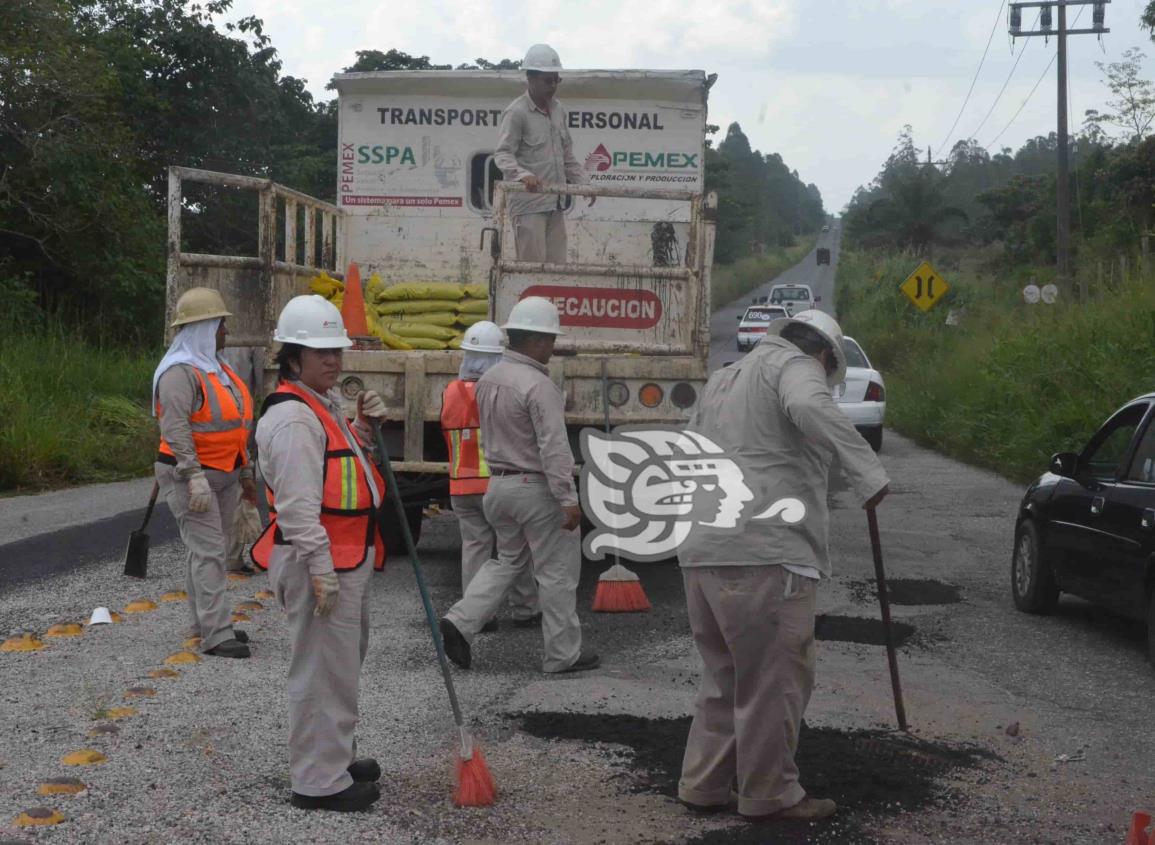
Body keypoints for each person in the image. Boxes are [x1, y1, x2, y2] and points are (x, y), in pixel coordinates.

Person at [676, 310, 890, 823]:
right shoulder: (796, 369)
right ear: (823, 355)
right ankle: (770, 793)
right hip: (766, 551)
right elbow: (808, 404)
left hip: (702, 549)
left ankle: (703, 784)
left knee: (725, 672)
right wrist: (867, 472)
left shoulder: (725, 378)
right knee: (773, 679)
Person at [251, 294, 391, 813]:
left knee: (340, 668)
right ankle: (316, 781)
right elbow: (297, 507)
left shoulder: (319, 406)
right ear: (292, 358)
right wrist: (321, 572)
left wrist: (363, 430)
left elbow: (340, 469)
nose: (333, 360)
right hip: (320, 564)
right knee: (320, 673)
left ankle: (334, 757)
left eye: (337, 350)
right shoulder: (292, 420)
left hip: (344, 559)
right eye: (321, 352)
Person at [439, 297, 597, 674]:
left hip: (497, 486)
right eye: (551, 340)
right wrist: (568, 498)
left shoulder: (489, 380)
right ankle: (562, 654)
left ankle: (461, 620)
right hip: (536, 489)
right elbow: (554, 447)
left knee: (506, 560)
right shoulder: (539, 386)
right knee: (556, 571)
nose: (553, 348)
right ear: (539, 340)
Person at [153, 287, 255, 659]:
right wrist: (192, 473)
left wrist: (246, 471)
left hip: (224, 473)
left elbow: (237, 422)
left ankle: (204, 623)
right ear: (204, 328)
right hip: (191, 476)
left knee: (203, 551)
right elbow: (175, 427)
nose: (226, 332)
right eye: (221, 325)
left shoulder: (219, 370)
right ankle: (216, 633)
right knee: (210, 552)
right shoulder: (179, 374)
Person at [440, 321, 539, 632]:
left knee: (474, 548)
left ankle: (479, 614)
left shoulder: (451, 392)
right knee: (515, 548)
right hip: (493, 483)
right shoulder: (497, 392)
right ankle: (526, 609)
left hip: (459, 484)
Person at [493, 43, 591, 264]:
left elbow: (567, 156)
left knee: (558, 269)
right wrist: (522, 174)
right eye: (549, 80)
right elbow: (503, 154)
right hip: (528, 206)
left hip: (555, 203)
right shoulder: (517, 112)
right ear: (531, 79)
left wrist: (585, 183)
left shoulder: (558, 110)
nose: (554, 85)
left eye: (557, 80)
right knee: (532, 268)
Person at [219, 344, 265, 574]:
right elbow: (264, 385)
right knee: (237, 493)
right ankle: (231, 558)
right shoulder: (252, 339)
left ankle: (217, 556)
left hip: (217, 432)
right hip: (237, 428)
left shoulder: (196, 345)